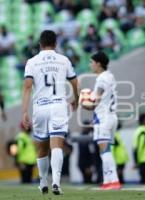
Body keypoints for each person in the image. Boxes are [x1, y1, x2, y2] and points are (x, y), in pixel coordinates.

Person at [22, 30, 79, 195]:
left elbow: (27, 87)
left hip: (40, 107)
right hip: (58, 106)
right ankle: (56, 182)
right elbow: (75, 83)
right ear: (55, 44)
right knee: (57, 146)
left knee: (41, 148)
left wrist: (25, 111)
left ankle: (43, 181)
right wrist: (75, 98)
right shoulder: (63, 60)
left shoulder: (32, 62)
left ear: (40, 44)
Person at [82, 51, 121, 190]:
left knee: (105, 151)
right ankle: (108, 181)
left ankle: (114, 181)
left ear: (98, 64)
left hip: (103, 118)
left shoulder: (101, 79)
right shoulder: (110, 76)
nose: (90, 65)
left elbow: (95, 100)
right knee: (106, 150)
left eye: (92, 62)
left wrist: (84, 103)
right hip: (111, 116)